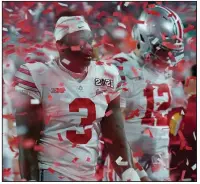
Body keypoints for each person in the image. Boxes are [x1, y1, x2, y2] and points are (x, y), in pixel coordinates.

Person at [14, 12, 142, 181]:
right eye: (79, 43)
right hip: (51, 173)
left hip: (89, 174)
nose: (88, 47)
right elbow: (27, 143)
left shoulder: (107, 75)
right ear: (61, 46)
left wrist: (129, 174)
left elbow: (115, 135)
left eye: (89, 40)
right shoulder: (38, 75)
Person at [105, 5, 187, 181]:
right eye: (165, 50)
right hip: (126, 164)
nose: (169, 58)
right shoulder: (120, 69)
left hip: (159, 163)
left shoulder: (166, 73)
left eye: (173, 51)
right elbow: (110, 129)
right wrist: (133, 170)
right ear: (144, 39)